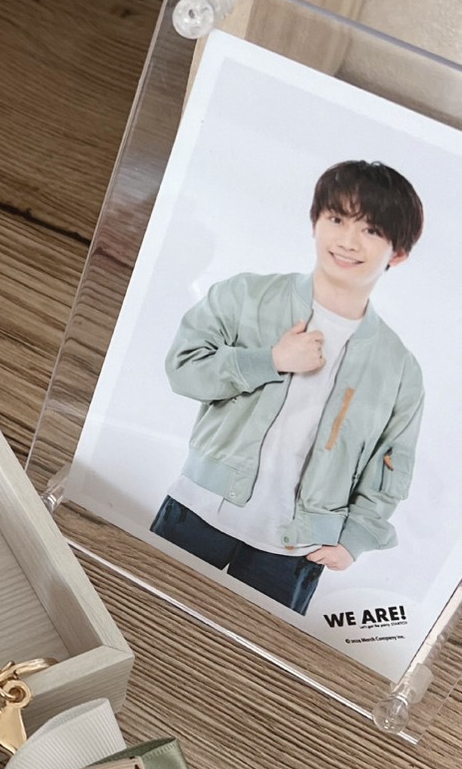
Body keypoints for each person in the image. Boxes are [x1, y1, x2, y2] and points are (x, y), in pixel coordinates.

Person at [150, 158, 424, 617]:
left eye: (371, 230)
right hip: (198, 510)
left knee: (243, 660)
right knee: (141, 617)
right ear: (315, 222)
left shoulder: (399, 368)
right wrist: (271, 360)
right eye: (337, 219)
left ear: (397, 253)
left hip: (298, 551)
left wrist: (356, 538)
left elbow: (393, 461)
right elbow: (183, 368)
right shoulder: (244, 296)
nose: (348, 240)